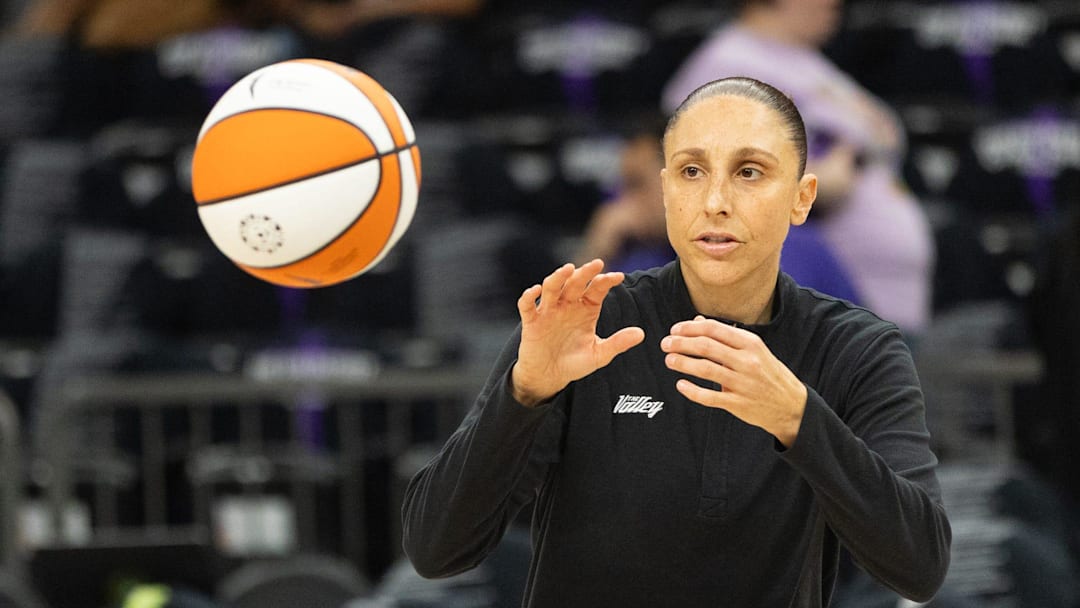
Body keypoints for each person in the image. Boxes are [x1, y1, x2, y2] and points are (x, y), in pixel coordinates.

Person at [401, 77, 951, 607]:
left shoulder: (859, 349)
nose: (715, 201)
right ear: (665, 191)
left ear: (801, 198)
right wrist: (523, 394)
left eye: (750, 172)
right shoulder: (590, 323)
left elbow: (920, 567)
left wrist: (798, 419)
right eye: (691, 171)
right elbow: (436, 549)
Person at [661, 0, 934, 336]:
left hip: (875, 308)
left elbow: (883, 133)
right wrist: (812, 181)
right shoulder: (728, 62)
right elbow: (700, 174)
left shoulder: (805, 59)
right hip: (817, 302)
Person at [575, 128, 675, 274]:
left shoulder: (704, 254)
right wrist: (597, 251)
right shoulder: (629, 248)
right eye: (623, 185)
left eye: (636, 183)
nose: (625, 201)